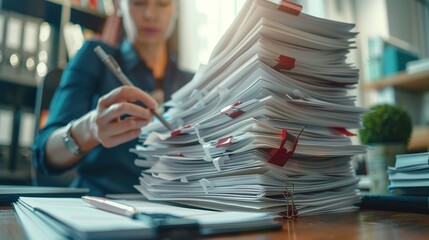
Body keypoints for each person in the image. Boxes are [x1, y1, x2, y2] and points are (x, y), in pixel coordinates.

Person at [32, 0, 193, 196]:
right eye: (138, 3)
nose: (150, 14)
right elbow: (43, 154)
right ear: (120, 6)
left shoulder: (192, 83)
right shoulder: (94, 58)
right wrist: (90, 129)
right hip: (99, 205)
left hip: (174, 211)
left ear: (175, 8)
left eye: (162, 3)